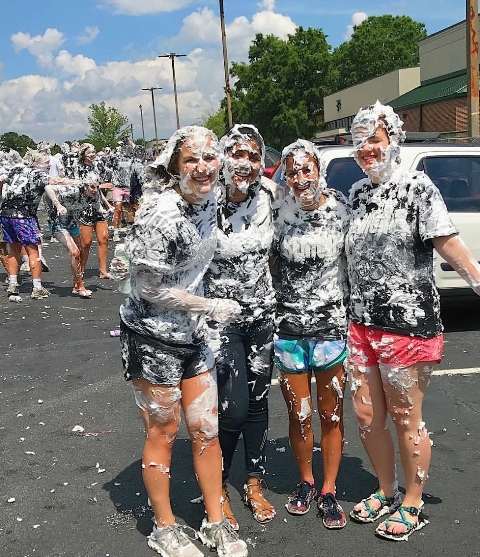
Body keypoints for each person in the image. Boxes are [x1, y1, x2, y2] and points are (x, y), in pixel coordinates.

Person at [345, 101, 480, 541]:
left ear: (393, 142)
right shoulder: (358, 195)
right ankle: (386, 490)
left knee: (406, 416)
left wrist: (478, 282)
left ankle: (412, 501)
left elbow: (449, 244)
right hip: (361, 324)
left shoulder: (417, 187)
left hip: (406, 323)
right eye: (359, 141)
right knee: (367, 416)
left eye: (375, 140)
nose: (367, 149)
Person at [118, 125, 248, 557]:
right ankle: (165, 526)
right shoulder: (161, 214)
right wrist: (208, 306)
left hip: (194, 336)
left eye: (209, 158)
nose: (203, 167)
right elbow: (148, 286)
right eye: (191, 159)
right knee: (165, 430)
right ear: (174, 167)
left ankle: (215, 521)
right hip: (152, 335)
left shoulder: (210, 204)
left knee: (206, 429)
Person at [271, 139, 350, 529]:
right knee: (298, 413)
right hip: (288, 330)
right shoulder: (278, 215)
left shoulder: (341, 210)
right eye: (293, 171)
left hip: (331, 329)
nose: (301, 178)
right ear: (284, 175)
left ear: (319, 170)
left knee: (330, 413)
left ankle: (329, 489)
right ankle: (305, 480)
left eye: (307, 169)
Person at [203, 124, 277, 530]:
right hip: (220, 318)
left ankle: (254, 482)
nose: (245, 163)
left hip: (261, 314)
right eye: (237, 153)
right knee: (232, 409)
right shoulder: (204, 200)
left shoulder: (270, 197)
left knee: (259, 402)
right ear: (222, 156)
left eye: (253, 155)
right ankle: (218, 487)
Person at [0, 149, 54, 299]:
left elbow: (1, 180)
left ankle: (12, 284)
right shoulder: (37, 173)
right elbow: (52, 184)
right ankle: (37, 288)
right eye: (46, 162)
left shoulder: (15, 169)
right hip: (24, 216)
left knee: (14, 249)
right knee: (33, 250)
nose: (49, 165)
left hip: (6, 215)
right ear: (36, 163)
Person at [45, 172, 102, 298]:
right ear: (85, 186)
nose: (95, 190)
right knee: (75, 252)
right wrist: (58, 205)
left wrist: (105, 211)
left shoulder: (94, 196)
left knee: (80, 253)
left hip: (73, 224)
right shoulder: (73, 190)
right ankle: (80, 286)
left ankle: (76, 284)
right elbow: (48, 187)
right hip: (57, 222)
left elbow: (98, 209)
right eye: (92, 187)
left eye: (97, 187)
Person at [74, 143, 114, 280]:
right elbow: (78, 187)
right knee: (86, 243)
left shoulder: (98, 166)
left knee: (104, 238)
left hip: (98, 207)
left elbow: (99, 191)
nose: (92, 155)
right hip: (84, 207)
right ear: (83, 154)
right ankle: (81, 271)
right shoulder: (78, 168)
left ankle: (103, 271)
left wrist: (107, 204)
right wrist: (100, 186)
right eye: (89, 153)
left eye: (94, 152)